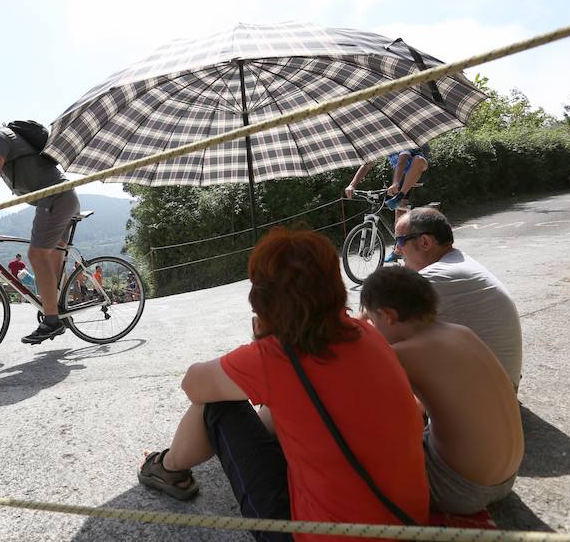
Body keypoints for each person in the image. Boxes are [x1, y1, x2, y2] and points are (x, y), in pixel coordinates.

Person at [137, 228, 428, 541]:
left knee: (215, 404)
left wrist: (260, 341)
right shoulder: (364, 331)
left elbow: (193, 384)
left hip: (313, 535)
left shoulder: (275, 356)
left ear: (262, 296)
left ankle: (166, 467)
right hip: (406, 520)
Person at [360, 266, 524, 514]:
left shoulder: (402, 353)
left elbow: (405, 414)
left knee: (363, 452)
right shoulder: (461, 333)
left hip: (457, 489)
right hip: (508, 477)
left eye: (373, 320)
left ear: (389, 316)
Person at [0, 100, 80, 345]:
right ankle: (59, 311)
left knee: (36, 254)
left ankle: (52, 321)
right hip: (62, 197)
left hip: (54, 198)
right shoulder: (3, 139)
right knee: (53, 258)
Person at [393, 207, 523, 390]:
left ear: (424, 242)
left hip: (483, 400)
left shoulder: (438, 276)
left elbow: (383, 325)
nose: (397, 250)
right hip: (499, 388)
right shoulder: (457, 262)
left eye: (400, 241)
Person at [345, 143, 430, 262]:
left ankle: (400, 247)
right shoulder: (381, 144)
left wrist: (395, 183)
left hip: (417, 172)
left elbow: (402, 161)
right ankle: (398, 248)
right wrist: (352, 185)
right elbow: (368, 164)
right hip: (400, 176)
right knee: (399, 212)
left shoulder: (401, 141)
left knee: (417, 160)